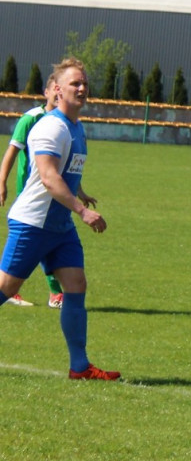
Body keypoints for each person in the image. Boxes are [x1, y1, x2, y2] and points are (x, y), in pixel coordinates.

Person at [0, 57, 120, 380]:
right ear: (56, 89)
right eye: (74, 84)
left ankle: (80, 367)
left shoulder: (76, 127)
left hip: (59, 226)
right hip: (34, 223)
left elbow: (67, 174)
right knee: (6, 287)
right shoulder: (51, 127)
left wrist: (80, 196)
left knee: (76, 285)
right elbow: (50, 178)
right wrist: (82, 211)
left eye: (84, 84)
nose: (82, 88)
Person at [0, 74, 68, 308]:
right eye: (55, 91)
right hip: (31, 193)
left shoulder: (63, 122)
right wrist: (2, 181)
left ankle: (53, 293)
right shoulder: (31, 118)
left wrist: (80, 191)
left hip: (52, 194)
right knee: (37, 242)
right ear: (46, 92)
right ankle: (44, 292)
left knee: (48, 241)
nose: (59, 96)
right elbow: (12, 151)